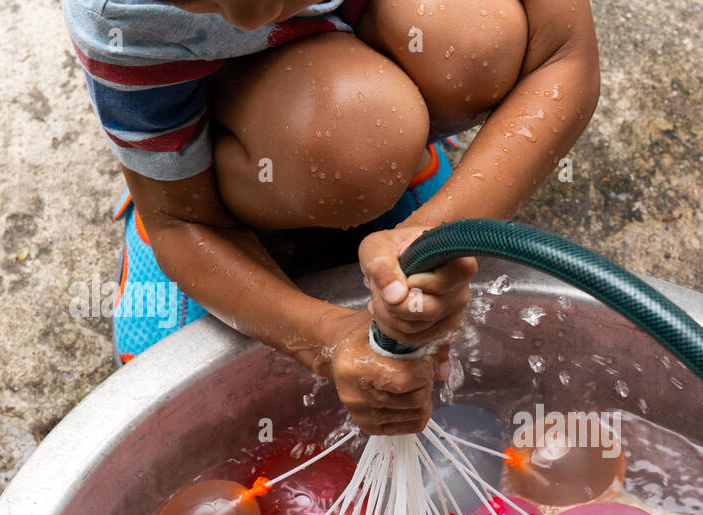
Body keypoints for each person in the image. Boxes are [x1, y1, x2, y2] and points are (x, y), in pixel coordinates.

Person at [62, 0, 600, 434]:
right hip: (218, 85)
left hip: (353, 34)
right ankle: (180, 164)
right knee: (353, 149)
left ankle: (397, 146)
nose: (248, 13)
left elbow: (560, 53)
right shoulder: (125, 14)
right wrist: (326, 338)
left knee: (477, 41)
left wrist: (439, 231)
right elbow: (181, 225)